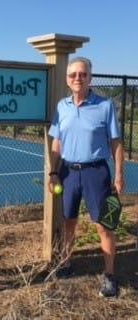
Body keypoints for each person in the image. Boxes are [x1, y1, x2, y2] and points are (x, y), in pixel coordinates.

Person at [48, 57, 124, 298]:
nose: (78, 78)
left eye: (82, 74)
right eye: (73, 75)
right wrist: (53, 173)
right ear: (67, 79)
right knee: (68, 222)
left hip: (96, 173)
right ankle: (66, 265)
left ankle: (110, 276)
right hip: (68, 173)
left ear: (90, 77)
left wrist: (119, 175)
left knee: (104, 226)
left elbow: (116, 142)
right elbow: (57, 143)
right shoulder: (62, 106)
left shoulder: (105, 105)